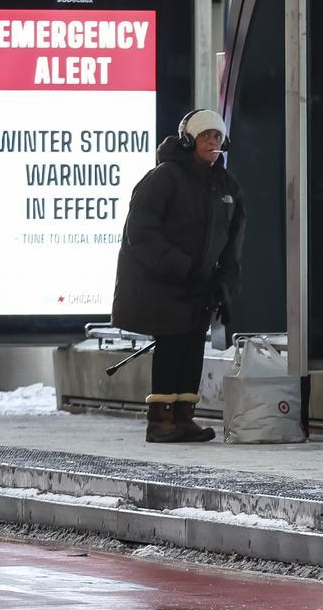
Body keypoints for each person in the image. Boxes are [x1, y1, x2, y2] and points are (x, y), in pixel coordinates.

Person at [112, 109, 246, 443]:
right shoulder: (164, 177)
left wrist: (224, 284)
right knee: (172, 345)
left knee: (191, 349)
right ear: (188, 140)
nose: (212, 142)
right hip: (163, 284)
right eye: (205, 136)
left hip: (200, 284)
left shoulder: (226, 185)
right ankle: (160, 422)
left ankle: (184, 418)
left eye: (217, 136)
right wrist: (181, 268)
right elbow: (140, 233)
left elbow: (234, 241)